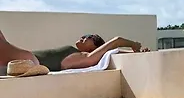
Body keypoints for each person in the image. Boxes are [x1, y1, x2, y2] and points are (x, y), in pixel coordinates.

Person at [0, 30, 146, 72]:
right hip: (21, 61)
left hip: (28, 61)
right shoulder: (74, 52)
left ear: (95, 47)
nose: (83, 37)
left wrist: (130, 44)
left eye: (89, 37)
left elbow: (113, 47)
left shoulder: (84, 57)